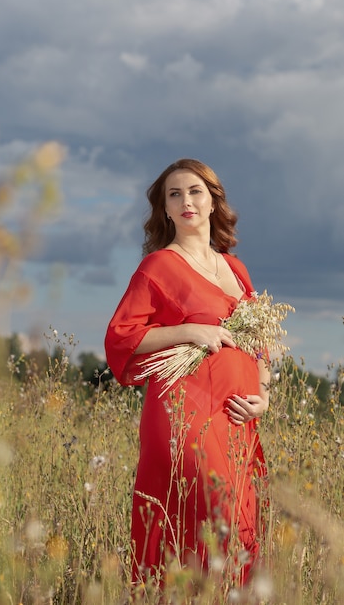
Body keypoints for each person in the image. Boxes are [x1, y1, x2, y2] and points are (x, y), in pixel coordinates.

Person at [104, 159, 270, 588]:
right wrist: (190, 330)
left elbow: (259, 343)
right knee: (204, 523)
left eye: (194, 191)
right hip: (185, 419)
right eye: (173, 194)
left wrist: (263, 395)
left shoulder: (236, 270)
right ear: (164, 210)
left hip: (236, 421)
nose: (185, 201)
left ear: (213, 201)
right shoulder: (158, 266)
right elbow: (122, 337)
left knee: (241, 524)